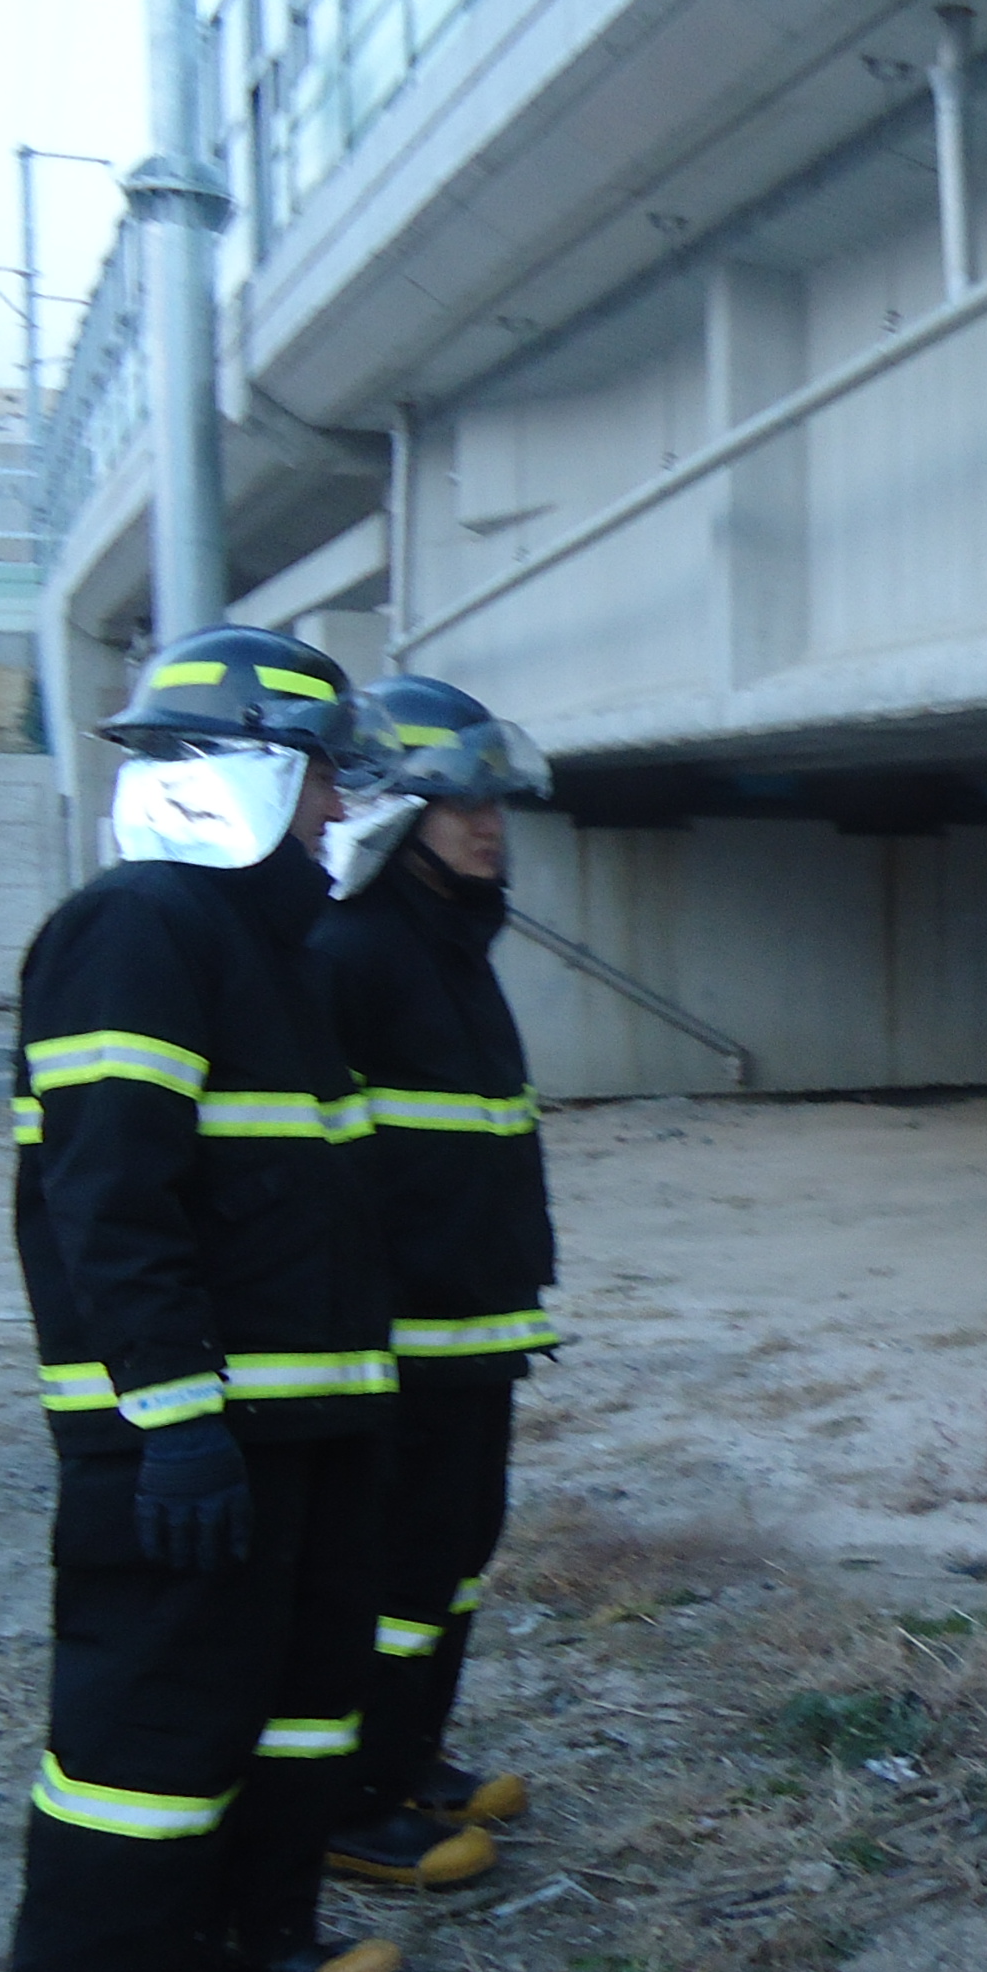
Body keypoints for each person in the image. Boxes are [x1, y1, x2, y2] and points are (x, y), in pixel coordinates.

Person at [6, 627, 442, 1972]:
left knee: (299, 1704)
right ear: (241, 771)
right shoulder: (134, 930)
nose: (338, 814)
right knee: (153, 1731)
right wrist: (176, 1418)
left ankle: (251, 1939)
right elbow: (109, 1199)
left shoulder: (271, 955)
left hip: (311, 1422)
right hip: (190, 1434)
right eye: (322, 780)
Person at [309, 674, 558, 1884]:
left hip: (474, 1331)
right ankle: (349, 1802)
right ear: (393, 813)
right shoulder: (351, 952)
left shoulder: (453, 947)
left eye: (496, 803)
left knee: (451, 1559)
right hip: (396, 1348)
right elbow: (323, 1178)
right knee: (390, 1574)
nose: (488, 825)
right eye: (461, 805)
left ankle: (410, 1757)